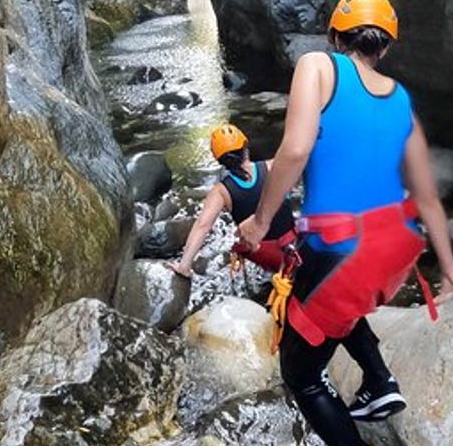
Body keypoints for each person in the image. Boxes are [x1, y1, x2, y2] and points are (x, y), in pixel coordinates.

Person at [237, 0, 453, 446]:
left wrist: (261, 221)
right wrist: (451, 271)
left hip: (341, 248)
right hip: (396, 251)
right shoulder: (401, 100)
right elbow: (427, 197)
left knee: (302, 373)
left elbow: (295, 148)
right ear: (386, 46)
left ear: (335, 35)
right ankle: (379, 382)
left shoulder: (317, 65)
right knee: (342, 306)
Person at [168, 123, 407, 422]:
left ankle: (374, 378)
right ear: (246, 148)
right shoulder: (270, 167)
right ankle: (376, 375)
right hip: (299, 247)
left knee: (318, 309)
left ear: (219, 161)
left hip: (275, 259)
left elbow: (203, 226)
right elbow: (309, 167)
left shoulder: (222, 192)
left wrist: (185, 265)